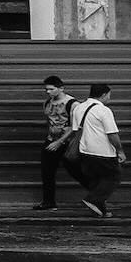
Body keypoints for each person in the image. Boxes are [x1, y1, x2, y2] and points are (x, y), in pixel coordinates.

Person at [72, 83, 125, 217]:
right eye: (109, 95)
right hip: (103, 151)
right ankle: (93, 200)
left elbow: (75, 130)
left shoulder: (78, 108)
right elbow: (112, 134)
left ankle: (101, 210)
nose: (109, 98)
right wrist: (120, 151)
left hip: (85, 151)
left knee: (97, 181)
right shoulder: (103, 110)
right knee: (113, 177)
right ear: (103, 95)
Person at [35, 75, 87, 210]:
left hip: (67, 143)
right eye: (46, 89)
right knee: (47, 172)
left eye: (51, 89)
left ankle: (97, 196)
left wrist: (60, 142)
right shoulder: (47, 103)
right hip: (51, 141)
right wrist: (51, 139)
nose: (48, 92)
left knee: (76, 171)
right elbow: (49, 121)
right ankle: (48, 202)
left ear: (61, 88)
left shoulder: (73, 104)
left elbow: (75, 126)